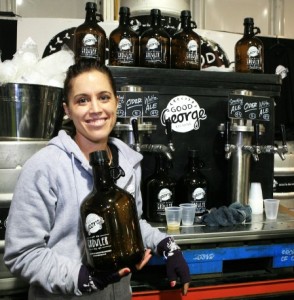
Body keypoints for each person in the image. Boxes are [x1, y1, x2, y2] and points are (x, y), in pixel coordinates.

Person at [4, 59, 190, 299]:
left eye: (104, 97)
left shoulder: (128, 162)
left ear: (116, 102)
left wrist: (165, 245)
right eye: (82, 100)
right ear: (67, 110)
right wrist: (83, 278)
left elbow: (131, 224)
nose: (95, 109)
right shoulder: (44, 167)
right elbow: (21, 254)